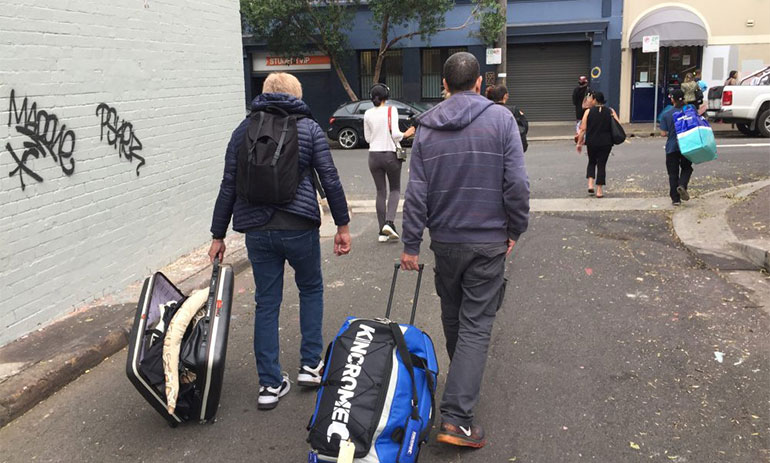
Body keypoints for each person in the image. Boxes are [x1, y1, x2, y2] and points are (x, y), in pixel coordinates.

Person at [400, 52, 530, 449]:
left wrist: (410, 244)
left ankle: (461, 382)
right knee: (475, 323)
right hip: (488, 240)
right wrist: (516, 227)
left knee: (454, 316)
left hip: (446, 241)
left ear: (444, 85)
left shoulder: (426, 128)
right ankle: (456, 418)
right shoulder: (501, 120)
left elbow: (416, 193)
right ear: (479, 83)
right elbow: (517, 185)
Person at [208, 72, 351, 410]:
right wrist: (342, 226)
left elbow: (229, 184)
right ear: (296, 95)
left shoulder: (242, 131)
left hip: (257, 230)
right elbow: (329, 177)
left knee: (267, 303)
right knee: (311, 288)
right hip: (299, 225)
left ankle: (269, 385)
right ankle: (310, 365)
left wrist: (217, 235)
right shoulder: (309, 128)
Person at [363, 83, 415, 242]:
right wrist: (408, 133)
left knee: (380, 192)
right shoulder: (392, 110)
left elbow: (367, 138)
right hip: (390, 154)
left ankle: (382, 232)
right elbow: (396, 135)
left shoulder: (367, 113)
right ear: (386, 96)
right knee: (395, 189)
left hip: (373, 156)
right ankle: (389, 223)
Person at [576, 92, 619, 198]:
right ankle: (599, 190)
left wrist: (579, 143)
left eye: (591, 99)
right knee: (601, 165)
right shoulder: (610, 111)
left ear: (595, 100)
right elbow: (618, 125)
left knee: (591, 161)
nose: (590, 100)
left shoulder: (588, 112)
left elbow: (583, 129)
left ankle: (590, 184)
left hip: (592, 142)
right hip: (606, 142)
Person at [659, 89, 694, 205]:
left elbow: (663, 133)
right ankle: (682, 185)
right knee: (687, 168)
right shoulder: (689, 110)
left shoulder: (667, 114)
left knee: (673, 173)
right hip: (687, 145)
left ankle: (675, 199)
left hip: (672, 146)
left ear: (672, 99)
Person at [486, 84, 529, 152]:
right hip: (509, 150)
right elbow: (524, 127)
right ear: (505, 96)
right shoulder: (513, 111)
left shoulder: (484, 110)